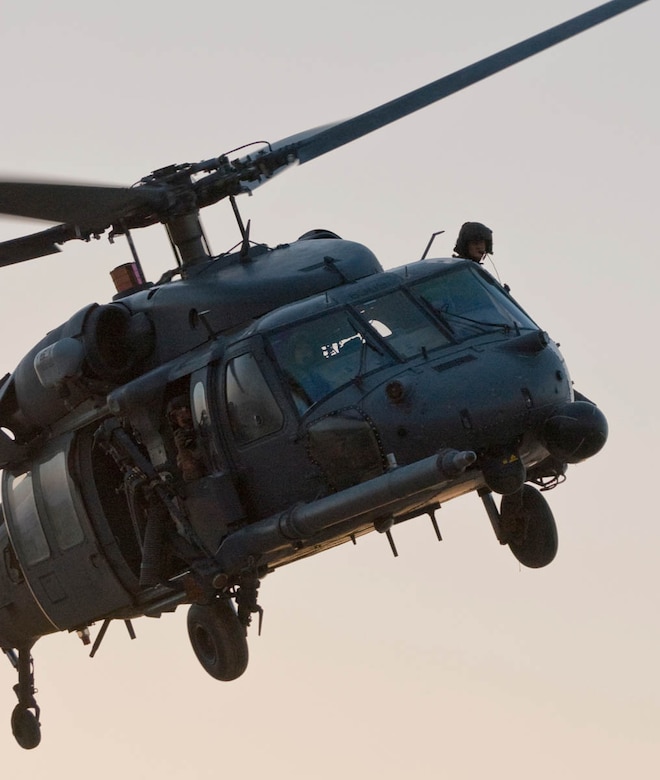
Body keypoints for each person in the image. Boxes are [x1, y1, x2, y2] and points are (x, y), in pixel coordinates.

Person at [167, 395, 205, 481]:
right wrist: (182, 449)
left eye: (186, 411)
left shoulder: (209, 428)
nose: (181, 417)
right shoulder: (185, 445)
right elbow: (192, 476)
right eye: (177, 415)